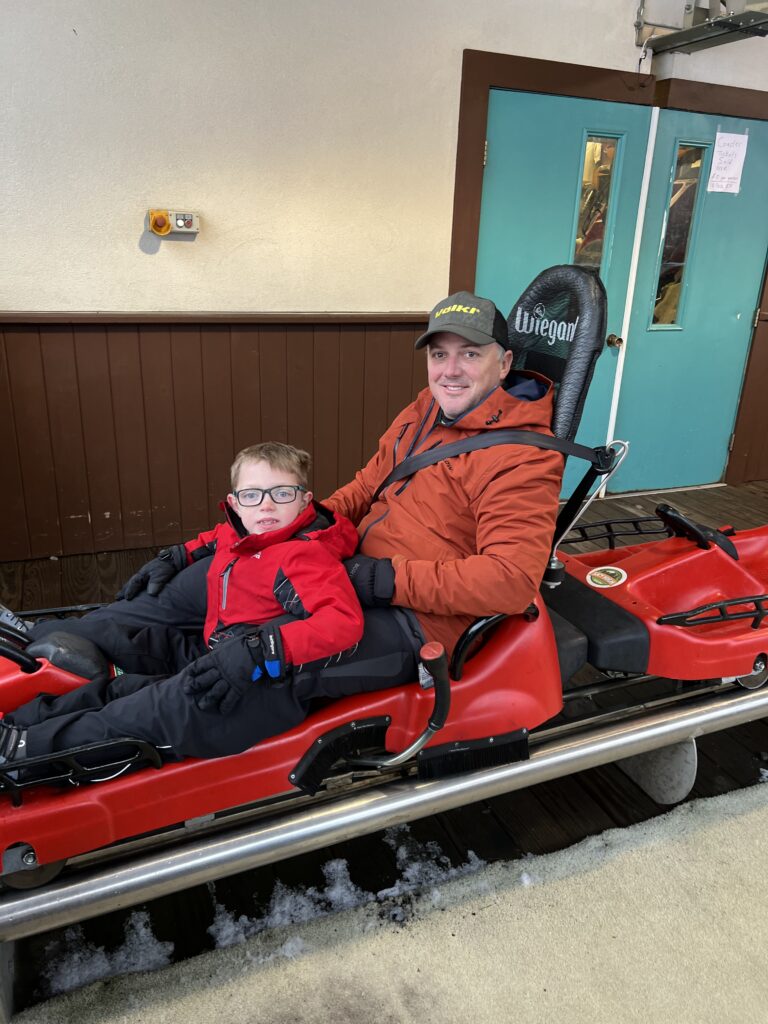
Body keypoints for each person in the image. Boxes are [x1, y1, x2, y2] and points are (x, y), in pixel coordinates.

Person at [1, 289, 563, 771]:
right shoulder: (425, 410)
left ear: (505, 361)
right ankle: (48, 652)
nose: (451, 369)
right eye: (440, 355)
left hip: (409, 618)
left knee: (241, 676)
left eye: (471, 354)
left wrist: (381, 581)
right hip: (338, 566)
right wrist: (290, 529)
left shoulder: (521, 458)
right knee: (191, 584)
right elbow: (364, 489)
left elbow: (510, 582)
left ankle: (32, 746)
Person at [0, 442, 366, 767]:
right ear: (235, 504)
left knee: (147, 707)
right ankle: (20, 714)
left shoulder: (304, 556)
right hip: (213, 653)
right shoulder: (246, 533)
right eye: (253, 495)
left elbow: (342, 622)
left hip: (251, 683)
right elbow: (215, 537)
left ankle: (27, 747)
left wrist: (266, 648)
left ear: (305, 499)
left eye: (282, 493)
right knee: (123, 675)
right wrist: (179, 554)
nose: (266, 504)